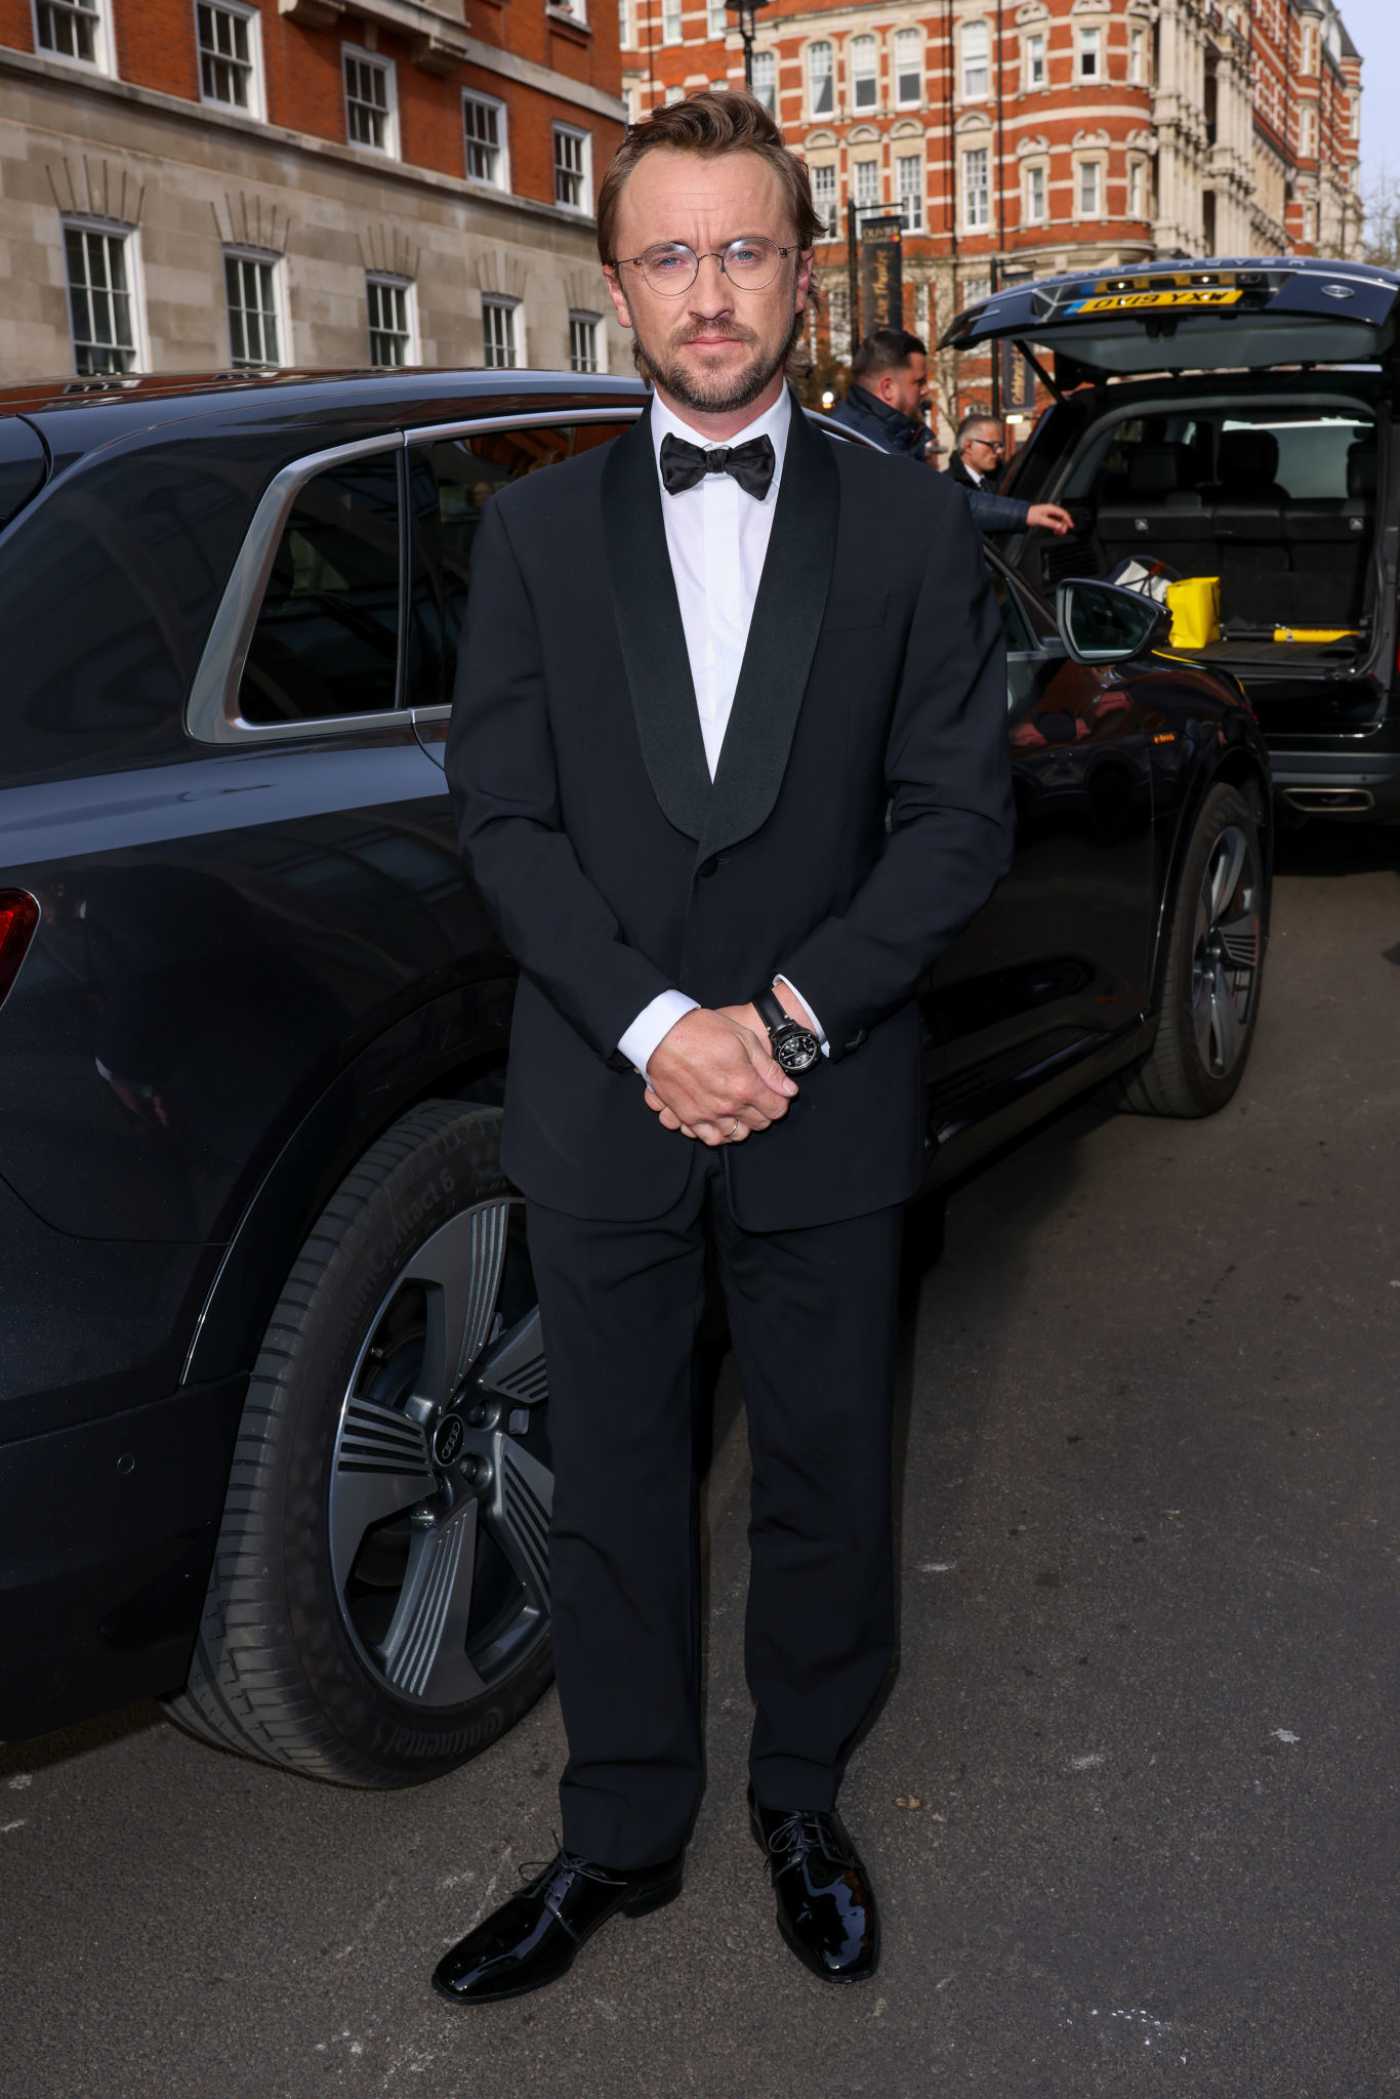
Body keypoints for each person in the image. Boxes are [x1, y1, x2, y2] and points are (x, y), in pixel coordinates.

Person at [437, 89, 1014, 2007]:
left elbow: (955, 822)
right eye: (671, 253)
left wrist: (775, 1020)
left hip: (824, 1093)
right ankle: (618, 1827)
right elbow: (505, 820)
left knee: (832, 1465)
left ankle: (799, 1792)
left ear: (801, 275)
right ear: (614, 284)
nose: (711, 291)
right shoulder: (524, 533)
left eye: (745, 249)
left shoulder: (916, 525)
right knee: (607, 1473)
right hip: (603, 1100)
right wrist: (654, 1023)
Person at [832, 333, 1072, 537]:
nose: (926, 389)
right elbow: (936, 502)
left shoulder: (868, 432)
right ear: (888, 388)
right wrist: (1025, 514)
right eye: (919, 381)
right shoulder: (863, 444)